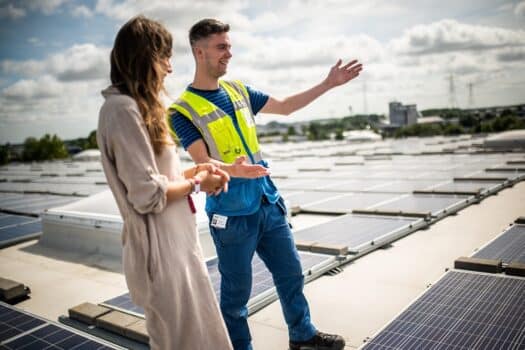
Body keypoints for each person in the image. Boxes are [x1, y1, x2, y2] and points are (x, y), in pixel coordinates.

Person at [169, 18, 363, 350]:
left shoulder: (239, 90)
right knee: (236, 296)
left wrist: (328, 83)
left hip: (267, 203)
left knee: (291, 275)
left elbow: (286, 107)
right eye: (221, 47)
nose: (229, 53)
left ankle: (302, 337)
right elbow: (201, 162)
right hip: (232, 215)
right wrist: (234, 169)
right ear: (199, 52)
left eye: (229, 46)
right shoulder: (181, 110)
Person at [97, 15, 234, 350]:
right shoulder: (121, 110)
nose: (170, 68)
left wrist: (203, 175)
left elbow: (160, 180)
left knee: (206, 339)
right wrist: (198, 180)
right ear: (144, 58)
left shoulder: (138, 109)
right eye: (164, 58)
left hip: (179, 248)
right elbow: (146, 195)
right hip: (160, 254)